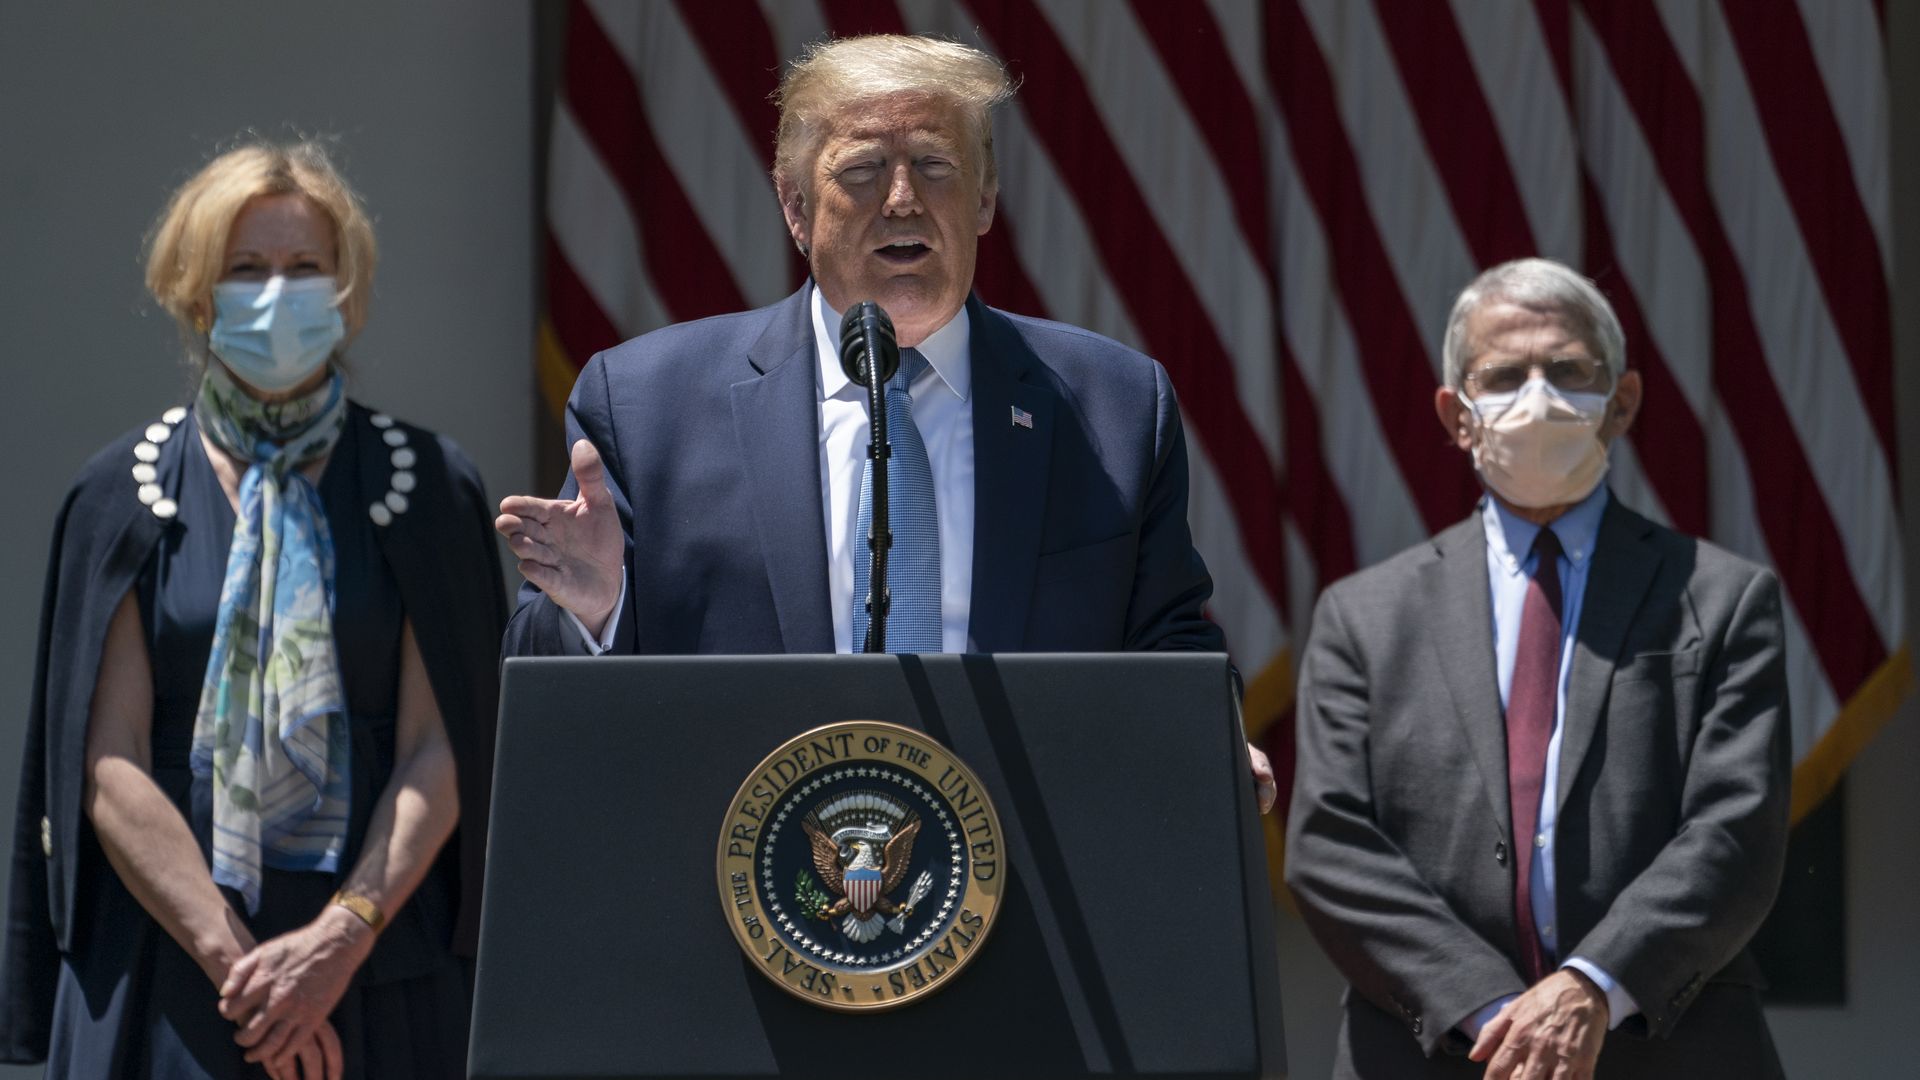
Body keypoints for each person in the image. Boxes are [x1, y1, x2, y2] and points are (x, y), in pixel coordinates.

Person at [495, 35, 1277, 807]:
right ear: (797, 208)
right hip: (742, 883)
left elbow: (1169, 643)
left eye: (935, 166)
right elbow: (540, 692)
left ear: (984, 199)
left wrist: (1204, 732)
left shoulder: (1113, 403)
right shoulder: (646, 404)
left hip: (1033, 873)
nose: (901, 198)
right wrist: (601, 612)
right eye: (864, 170)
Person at [0, 141, 506, 1079]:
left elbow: (448, 746)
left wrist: (332, 949)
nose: (278, 294)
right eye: (246, 270)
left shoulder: (427, 485)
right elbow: (106, 759)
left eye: (305, 268)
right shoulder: (120, 494)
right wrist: (250, 975)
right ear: (197, 292)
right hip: (171, 978)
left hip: (380, 967)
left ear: (345, 289)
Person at [1285, 257, 1790, 1078]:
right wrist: (1495, 1011)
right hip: (1439, 1052)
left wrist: (1592, 987)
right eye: (1503, 375)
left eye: (1566, 370)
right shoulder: (1364, 617)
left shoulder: (1723, 598)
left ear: (1621, 402)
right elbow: (1331, 845)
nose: (1537, 394)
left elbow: (1737, 827)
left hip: (1667, 1048)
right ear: (1457, 415)